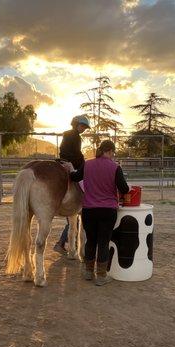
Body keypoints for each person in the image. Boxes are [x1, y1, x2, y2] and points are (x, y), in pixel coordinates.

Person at [69, 140, 130, 286]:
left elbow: (75, 177)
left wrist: (68, 169)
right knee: (103, 242)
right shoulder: (115, 167)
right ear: (109, 151)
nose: (113, 156)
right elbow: (125, 189)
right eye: (113, 153)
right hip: (107, 211)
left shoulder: (88, 164)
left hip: (89, 211)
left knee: (91, 241)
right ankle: (101, 276)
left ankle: (89, 272)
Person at [53, 114, 90, 254]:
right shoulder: (76, 136)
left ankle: (64, 243)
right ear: (77, 125)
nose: (84, 129)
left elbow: (66, 151)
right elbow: (76, 153)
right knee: (81, 179)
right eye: (83, 126)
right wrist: (84, 162)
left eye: (85, 127)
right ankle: (84, 198)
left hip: (63, 160)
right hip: (71, 162)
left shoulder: (68, 134)